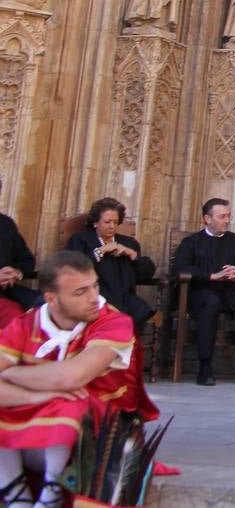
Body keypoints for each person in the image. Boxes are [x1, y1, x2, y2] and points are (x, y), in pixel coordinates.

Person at [0, 252, 158, 508]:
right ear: (51, 299)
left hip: (95, 433)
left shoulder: (113, 322)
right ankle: (16, 493)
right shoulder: (25, 324)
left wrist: (9, 373)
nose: (94, 297)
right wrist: (35, 396)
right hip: (35, 427)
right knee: (56, 400)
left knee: (70, 401)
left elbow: (73, 376)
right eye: (80, 292)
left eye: (95, 286)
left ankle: (51, 493)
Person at [170, 198, 235, 386]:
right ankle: (205, 367)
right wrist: (212, 276)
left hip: (233, 290)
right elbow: (179, 269)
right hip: (202, 290)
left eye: (228, 216)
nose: (227, 220)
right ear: (207, 218)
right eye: (222, 216)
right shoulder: (191, 242)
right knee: (210, 303)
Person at [64, 198, 156, 334]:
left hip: (124, 297)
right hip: (97, 297)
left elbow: (146, 275)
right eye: (107, 222)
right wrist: (101, 251)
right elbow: (74, 269)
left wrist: (133, 255)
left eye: (115, 222)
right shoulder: (81, 240)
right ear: (95, 222)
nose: (112, 226)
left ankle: (127, 351)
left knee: (139, 309)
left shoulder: (129, 243)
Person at [0, 190, 38, 330]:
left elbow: (27, 260)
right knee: (14, 320)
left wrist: (16, 272)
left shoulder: (6, 224)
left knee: (48, 307)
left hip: (9, 290)